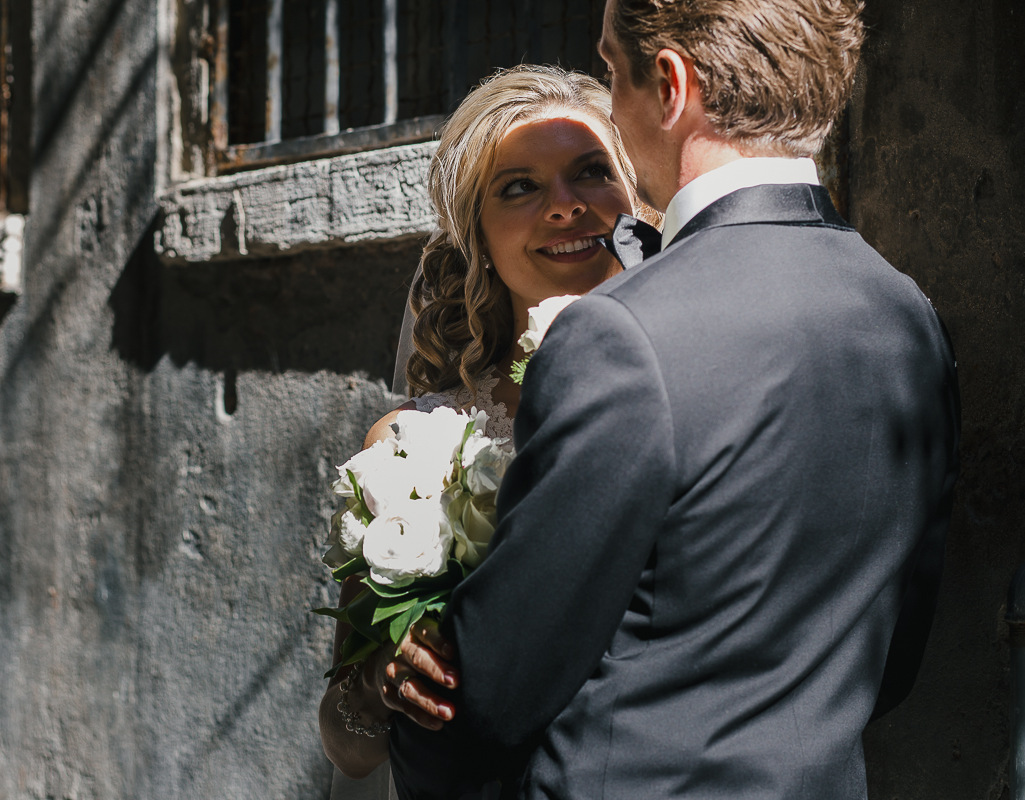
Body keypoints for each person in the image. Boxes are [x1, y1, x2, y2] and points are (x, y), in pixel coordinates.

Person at [389, 1, 961, 799]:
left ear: (669, 85)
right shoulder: (906, 314)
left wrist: (417, 738)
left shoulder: (619, 336)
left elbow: (492, 692)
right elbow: (890, 661)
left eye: (611, 72)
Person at [318, 64, 662, 800]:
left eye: (592, 172)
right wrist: (385, 680)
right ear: (477, 232)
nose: (565, 207)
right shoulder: (410, 447)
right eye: (519, 187)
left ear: (636, 199)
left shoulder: (699, 392)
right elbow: (346, 749)